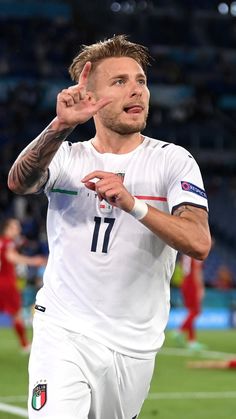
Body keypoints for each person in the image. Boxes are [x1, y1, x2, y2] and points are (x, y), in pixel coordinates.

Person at [8, 35, 211, 419]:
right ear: (89, 95)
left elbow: (199, 242)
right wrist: (59, 126)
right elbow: (20, 181)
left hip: (134, 344)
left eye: (141, 81)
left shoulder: (173, 161)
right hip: (64, 329)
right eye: (120, 81)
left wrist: (134, 205)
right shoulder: (67, 156)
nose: (137, 90)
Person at [0, 218, 46, 352]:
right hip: (7, 284)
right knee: (17, 314)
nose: (18, 229)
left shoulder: (2, 242)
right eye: (15, 227)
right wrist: (32, 261)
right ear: (8, 228)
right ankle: (25, 345)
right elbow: (11, 257)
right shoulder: (8, 243)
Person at [172, 254, 206, 350]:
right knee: (196, 311)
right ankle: (179, 330)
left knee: (191, 312)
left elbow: (182, 267)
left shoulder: (185, 253)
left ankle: (192, 341)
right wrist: (200, 288)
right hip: (192, 284)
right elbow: (196, 271)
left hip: (184, 283)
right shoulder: (196, 253)